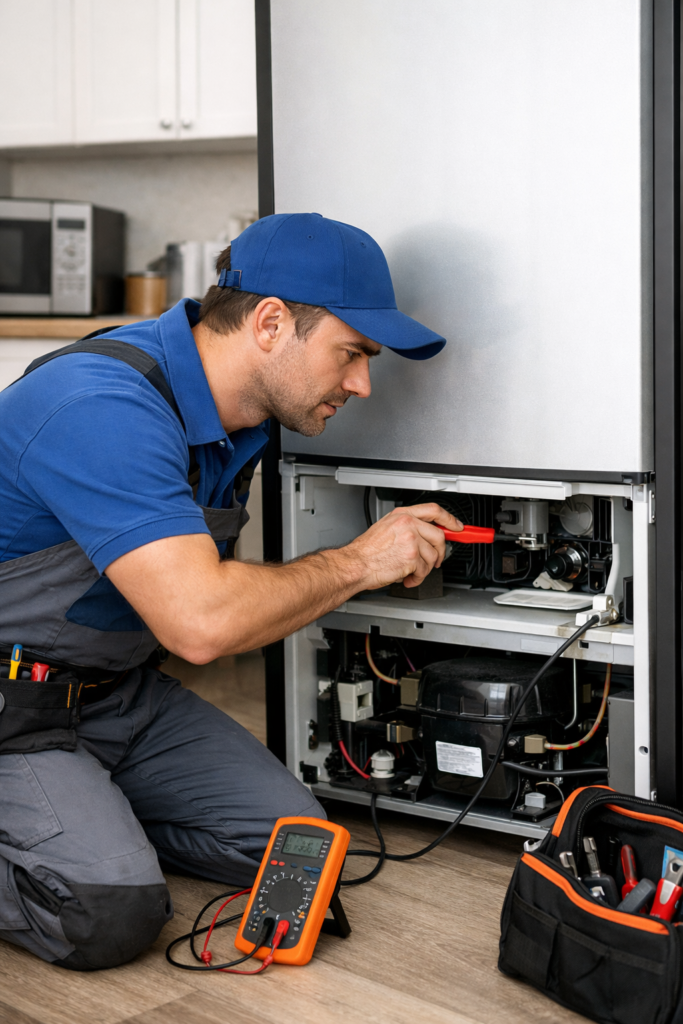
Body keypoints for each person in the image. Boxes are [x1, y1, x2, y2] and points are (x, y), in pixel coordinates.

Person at [0, 212, 461, 970]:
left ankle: (80, 818)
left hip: (116, 695)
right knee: (108, 912)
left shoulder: (239, 417)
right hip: (15, 705)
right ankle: (82, 847)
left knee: (298, 848)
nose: (361, 383)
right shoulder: (101, 405)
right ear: (272, 323)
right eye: (350, 354)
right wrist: (360, 562)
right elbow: (200, 624)